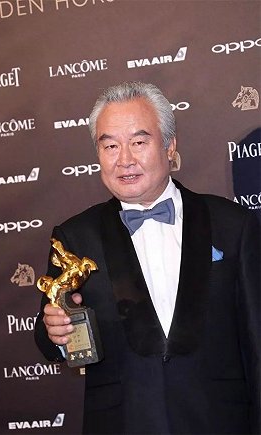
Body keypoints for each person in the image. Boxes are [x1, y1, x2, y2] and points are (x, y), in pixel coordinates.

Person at [34, 81, 260, 434]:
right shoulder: (75, 237)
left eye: (138, 142)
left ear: (170, 146)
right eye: (110, 145)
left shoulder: (233, 225)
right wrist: (56, 334)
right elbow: (48, 337)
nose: (124, 159)